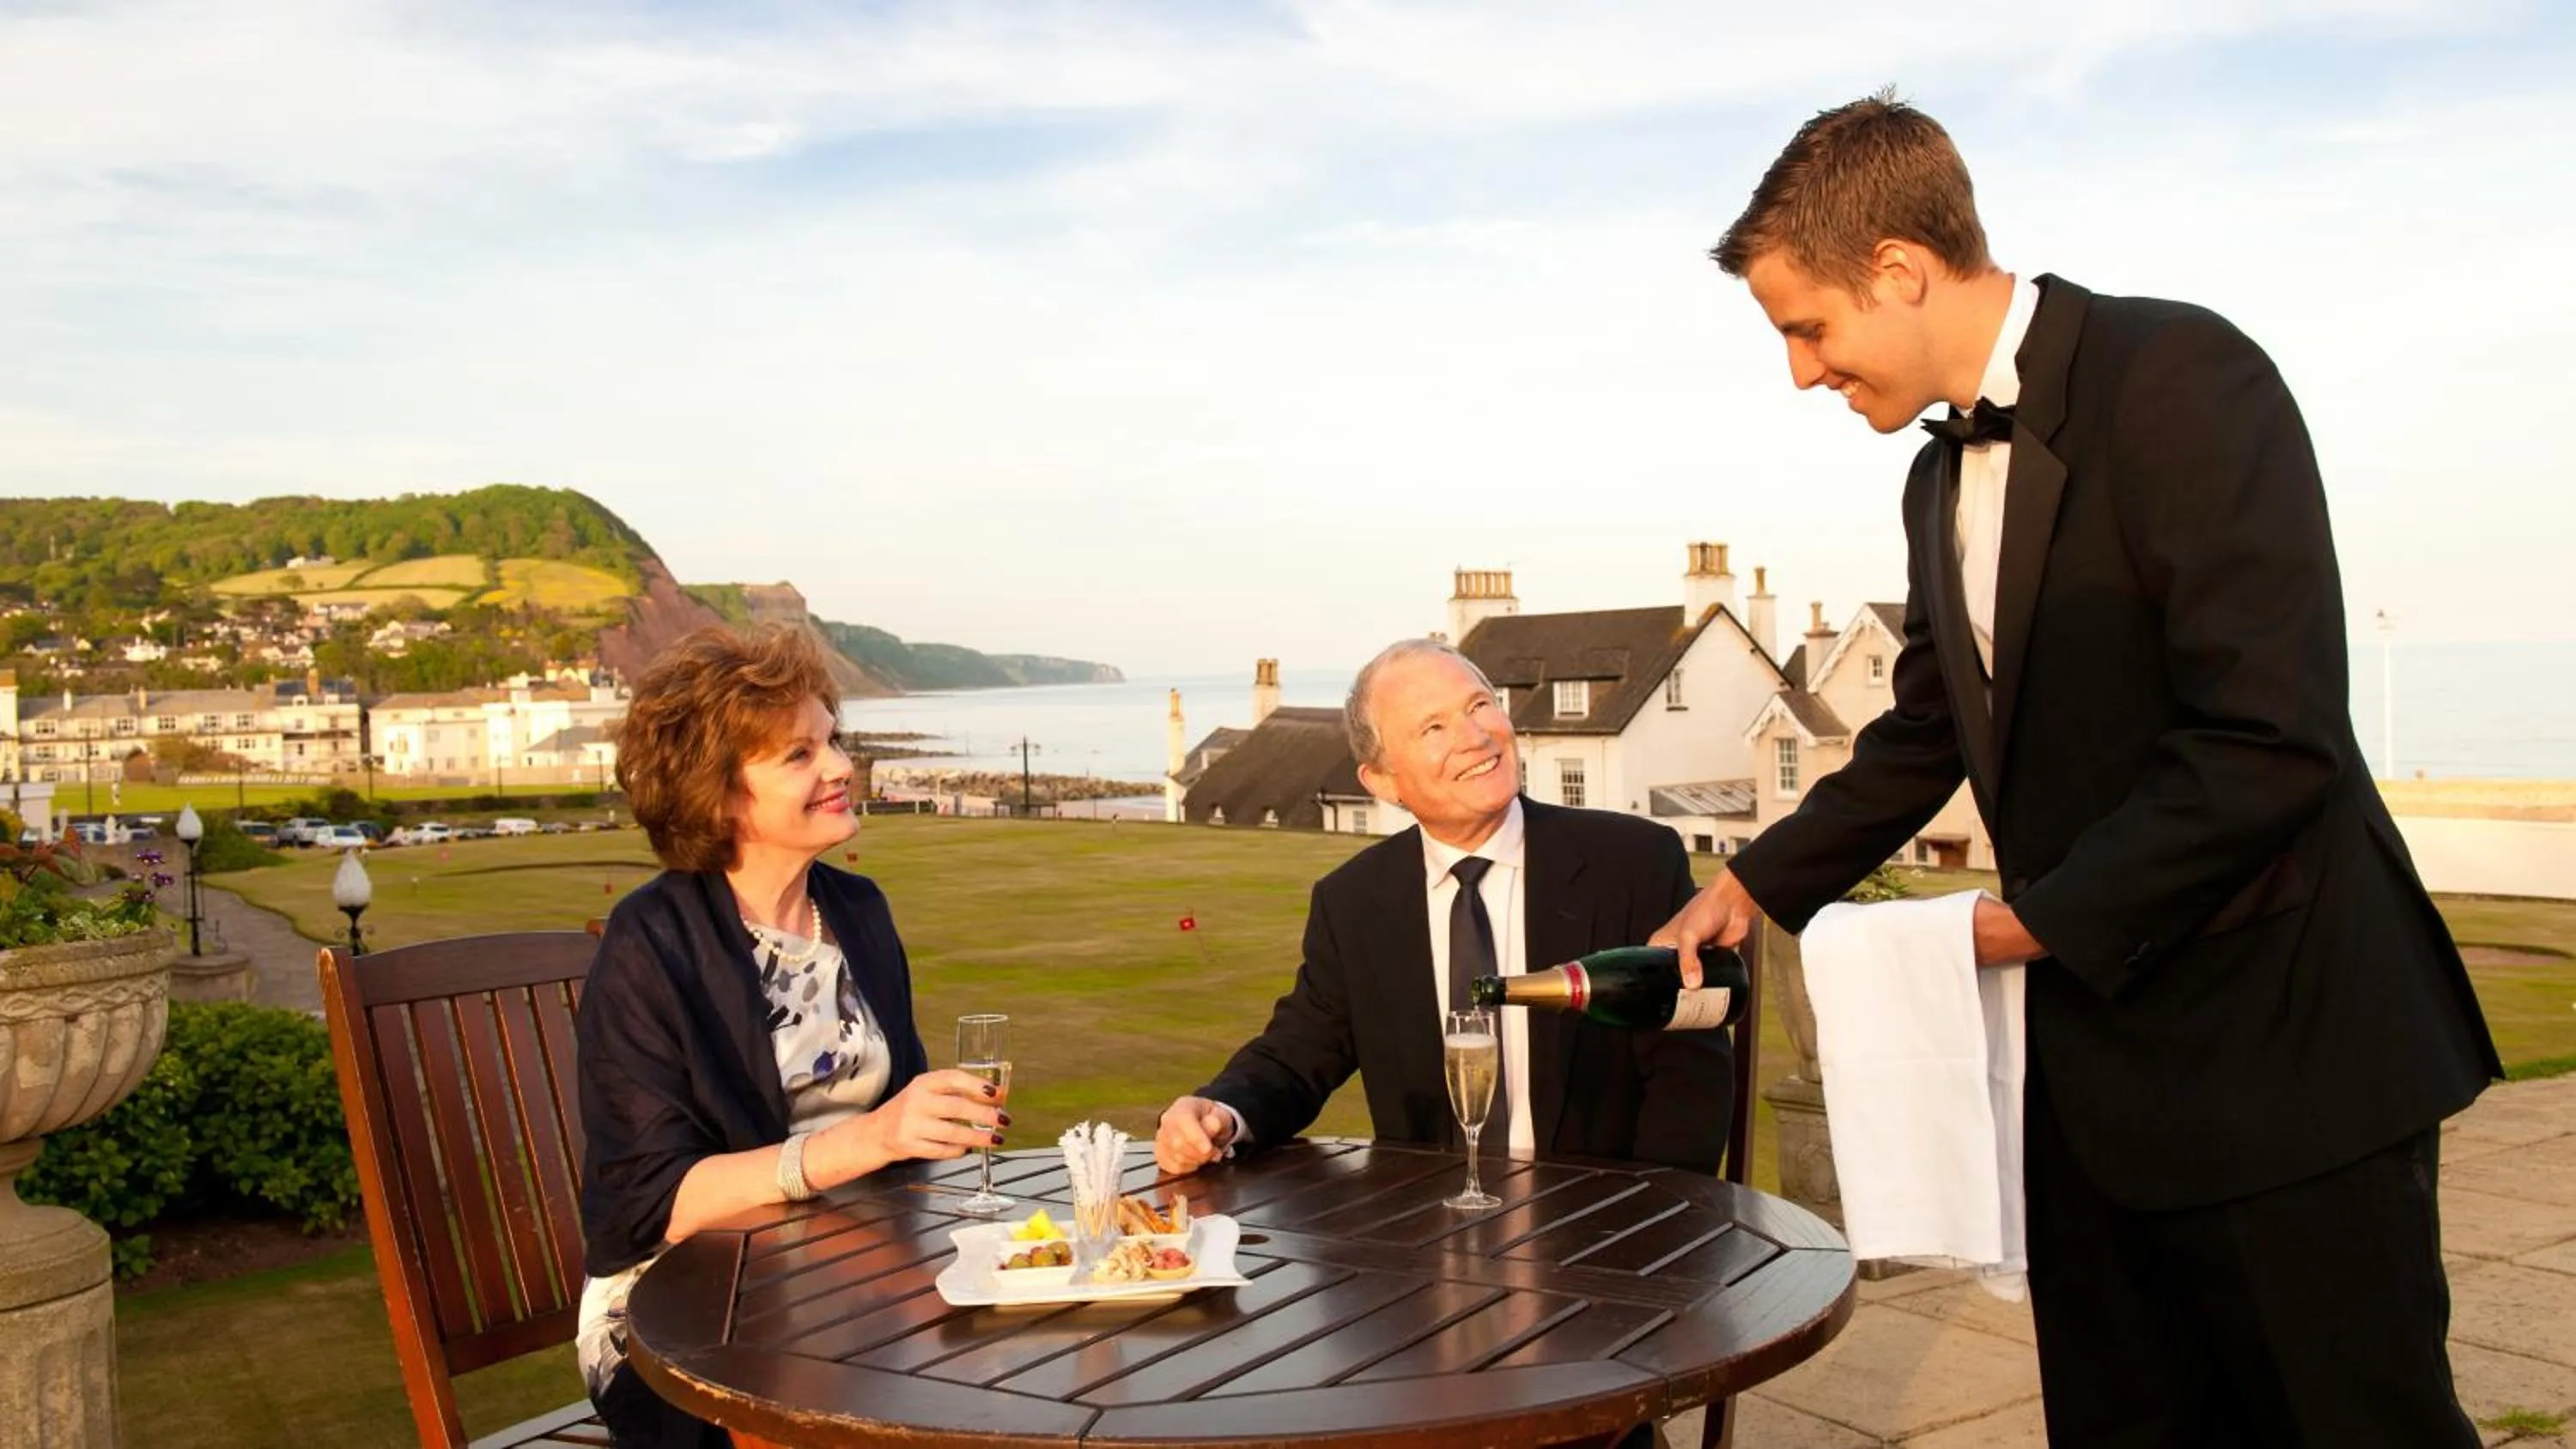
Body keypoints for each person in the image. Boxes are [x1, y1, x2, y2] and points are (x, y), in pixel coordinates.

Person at [1658, 92, 2500, 1446]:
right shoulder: (1934, 488)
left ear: (1899, 270)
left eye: (1805, 328)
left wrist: (2024, 921)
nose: (1802, 373)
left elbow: (2268, 735)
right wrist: (1753, 887)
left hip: (2287, 1058)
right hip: (2096, 1089)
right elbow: (1924, 732)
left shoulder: (2184, 375)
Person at [575, 626, 1009, 1446]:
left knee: (1018, 1360)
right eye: (798, 755)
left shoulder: (857, 911)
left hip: (851, 1277)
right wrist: (868, 1140)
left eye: (833, 740)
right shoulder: (652, 944)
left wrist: (927, 1133)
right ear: (719, 794)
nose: (842, 766)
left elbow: (903, 1153)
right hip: (680, 1317)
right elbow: (650, 1205)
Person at [1156, 638, 1732, 1179]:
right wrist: (1221, 1112)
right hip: (1426, 1238)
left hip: (1602, 1231)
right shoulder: (1354, 902)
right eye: (1434, 727)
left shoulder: (1633, 863)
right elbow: (1298, 1053)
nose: (1475, 737)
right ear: (1381, 781)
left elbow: (1690, 1075)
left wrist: (1653, 1224)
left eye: (1480, 705)